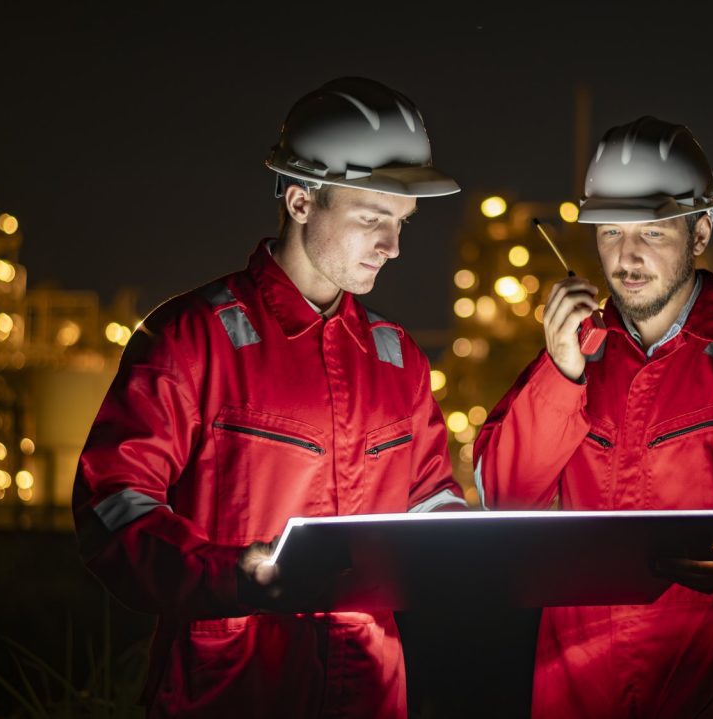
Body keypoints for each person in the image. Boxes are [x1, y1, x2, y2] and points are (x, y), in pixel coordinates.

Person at [72, 76, 467, 718]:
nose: (393, 248)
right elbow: (111, 502)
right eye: (372, 219)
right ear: (301, 199)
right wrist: (230, 574)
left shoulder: (397, 359)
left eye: (401, 224)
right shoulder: (194, 339)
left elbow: (430, 499)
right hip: (229, 691)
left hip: (368, 692)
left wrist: (472, 541)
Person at [472, 116, 713, 718]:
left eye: (652, 232)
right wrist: (559, 375)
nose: (626, 257)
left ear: (700, 229)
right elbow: (502, 494)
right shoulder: (572, 358)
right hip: (578, 696)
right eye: (610, 231)